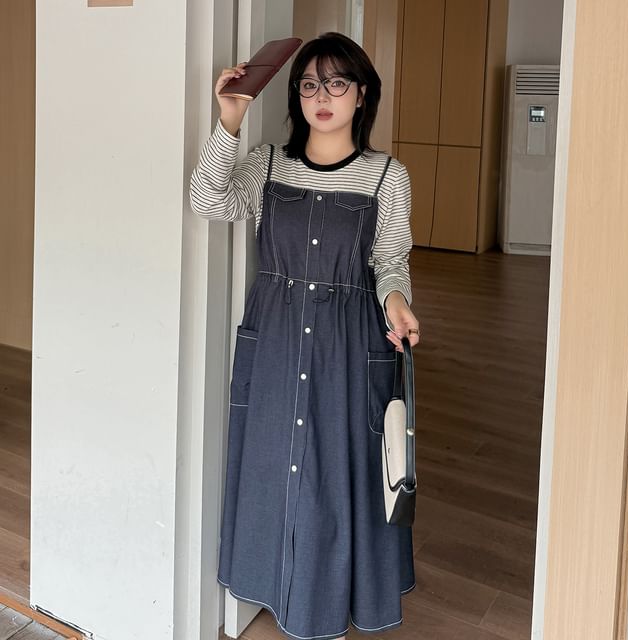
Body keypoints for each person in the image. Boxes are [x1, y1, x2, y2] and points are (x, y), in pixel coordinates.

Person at [190, 31, 420, 640]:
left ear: (361, 94)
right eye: (310, 84)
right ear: (296, 94)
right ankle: (275, 587)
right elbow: (208, 201)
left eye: (337, 83)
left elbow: (390, 260)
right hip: (276, 336)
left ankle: (325, 601)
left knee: (333, 471)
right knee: (275, 463)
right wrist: (230, 119)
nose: (323, 96)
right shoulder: (268, 163)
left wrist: (396, 300)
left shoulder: (385, 176)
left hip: (349, 344)